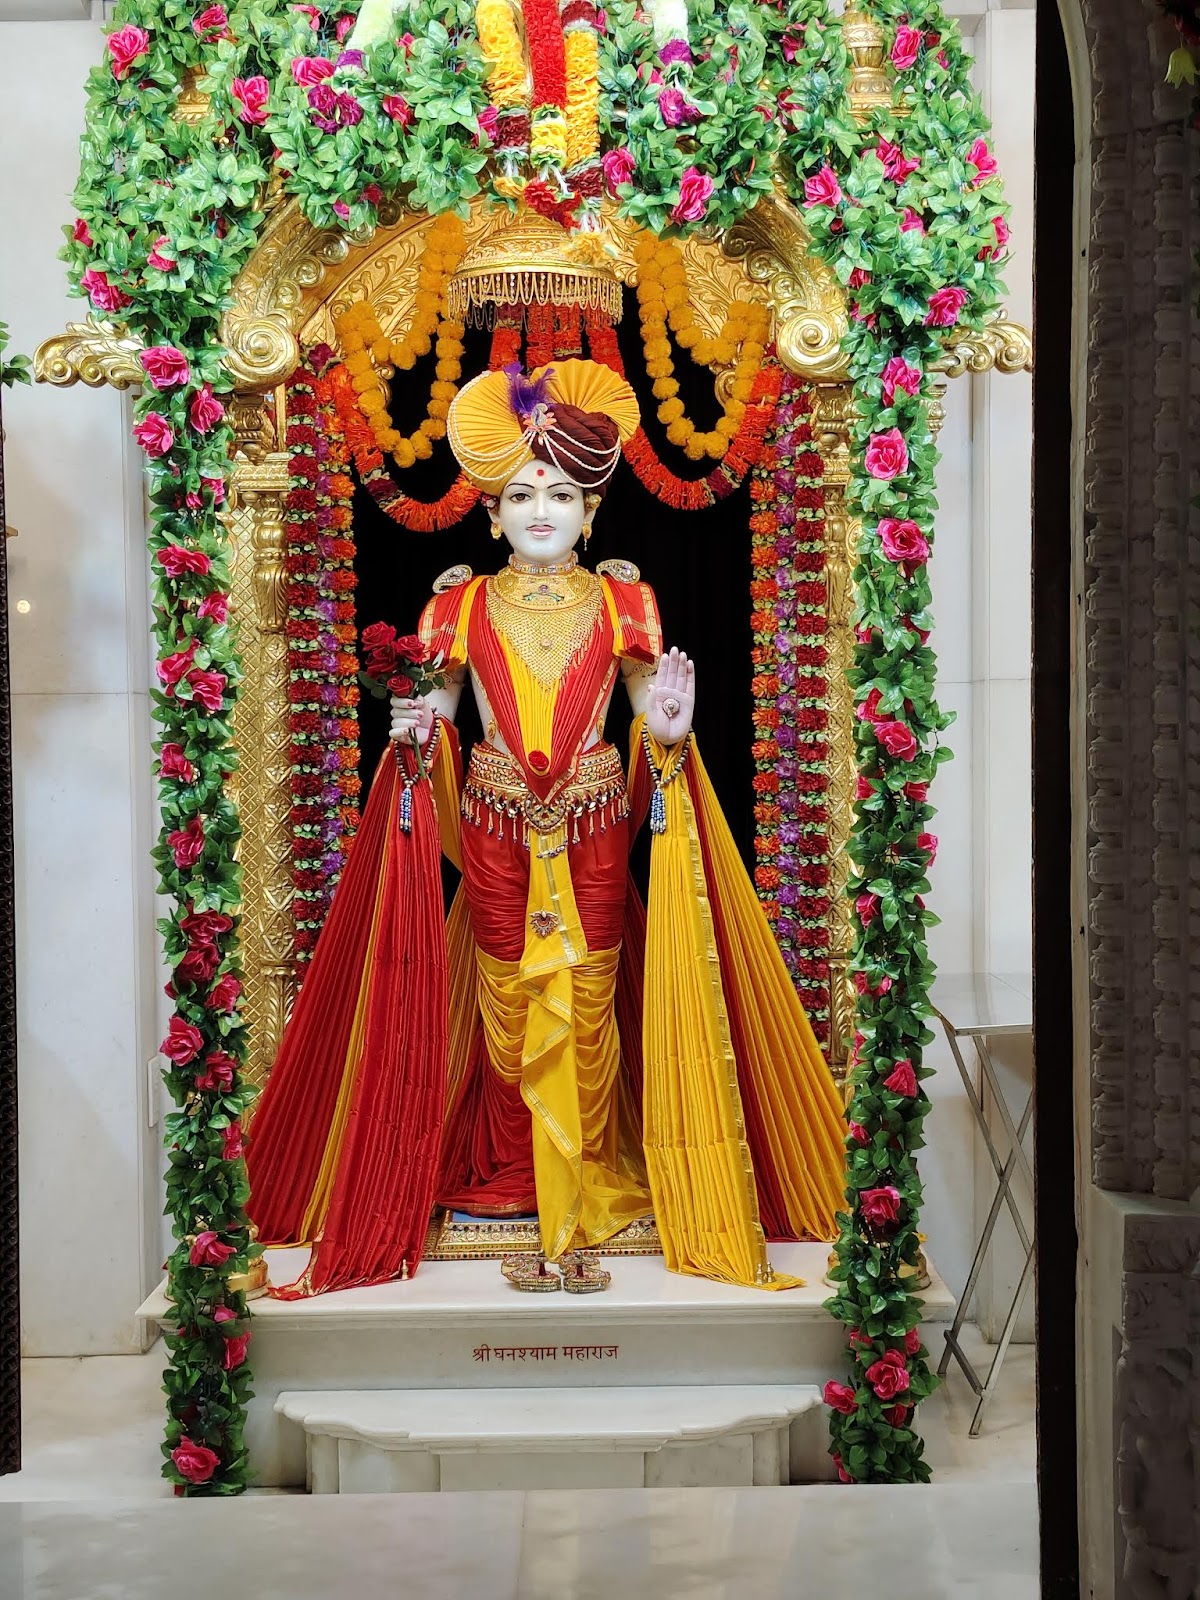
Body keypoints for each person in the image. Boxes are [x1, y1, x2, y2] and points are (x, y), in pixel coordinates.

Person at [246, 359, 846, 1296]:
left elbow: (653, 711)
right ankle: (512, 1175)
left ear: (592, 511)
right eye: (521, 493)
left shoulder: (626, 601)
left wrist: (673, 735)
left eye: (560, 493)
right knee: (508, 996)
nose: (539, 510)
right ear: (491, 511)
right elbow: (437, 707)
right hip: (491, 817)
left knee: (592, 990)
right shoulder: (456, 603)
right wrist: (412, 725)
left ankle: (593, 1169)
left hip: (601, 812)